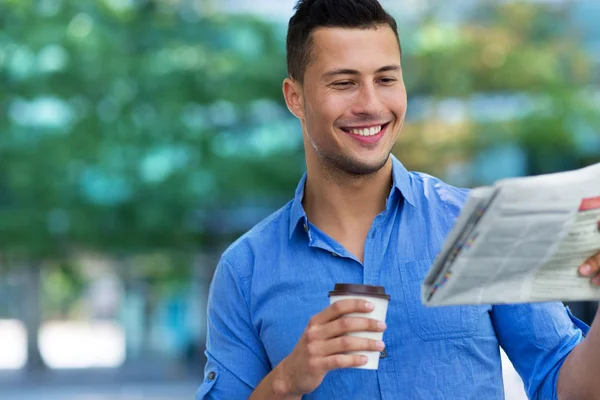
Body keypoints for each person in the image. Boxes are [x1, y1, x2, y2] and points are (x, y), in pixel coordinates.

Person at [195, 0, 600, 399]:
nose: (371, 105)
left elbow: (567, 387)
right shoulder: (244, 271)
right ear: (295, 97)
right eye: (343, 83)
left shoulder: (485, 227)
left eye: (386, 79)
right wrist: (285, 382)